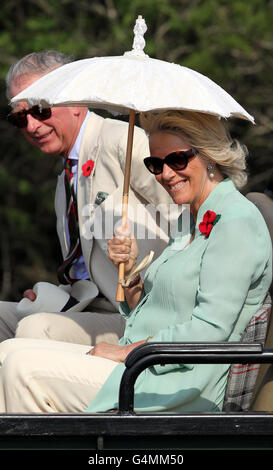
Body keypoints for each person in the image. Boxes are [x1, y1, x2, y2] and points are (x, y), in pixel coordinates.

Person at [0, 109, 271, 414]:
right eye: (156, 164)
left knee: (22, 370)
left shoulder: (235, 223)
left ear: (210, 155)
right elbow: (152, 305)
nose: (166, 174)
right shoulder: (189, 218)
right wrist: (128, 269)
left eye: (178, 160)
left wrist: (127, 352)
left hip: (176, 382)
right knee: (6, 351)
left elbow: (209, 329)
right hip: (147, 363)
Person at [0, 50, 172, 346]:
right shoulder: (66, 174)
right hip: (85, 304)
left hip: (136, 313)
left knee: (34, 331)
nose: (31, 126)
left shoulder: (122, 141)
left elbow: (187, 219)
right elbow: (85, 268)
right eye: (20, 118)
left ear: (76, 102)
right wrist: (54, 295)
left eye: (41, 110)